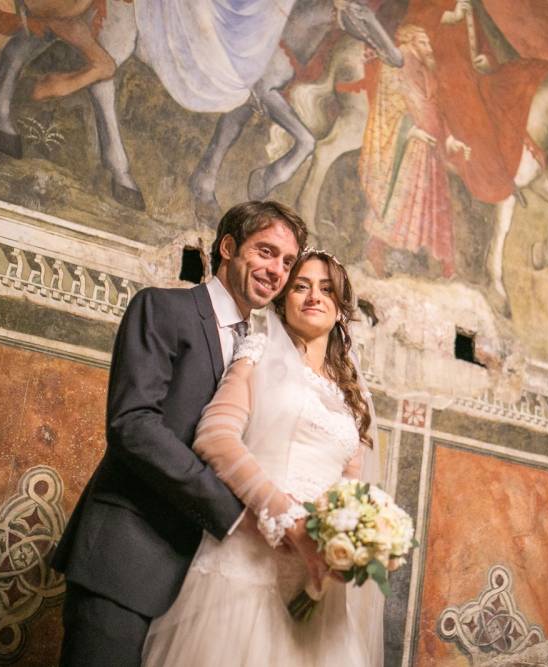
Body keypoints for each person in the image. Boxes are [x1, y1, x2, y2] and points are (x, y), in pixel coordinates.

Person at [52, 201, 307, 666]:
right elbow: (133, 425)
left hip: (205, 585)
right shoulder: (162, 308)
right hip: (127, 557)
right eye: (266, 251)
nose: (277, 271)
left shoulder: (265, 351)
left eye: (287, 262)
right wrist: (233, 513)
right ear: (227, 247)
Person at [142, 250, 385, 666]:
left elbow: (351, 484)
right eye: (301, 286)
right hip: (250, 557)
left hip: (315, 575)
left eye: (327, 289)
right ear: (283, 300)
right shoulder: (259, 352)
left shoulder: (354, 395)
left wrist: (348, 540)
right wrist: (285, 516)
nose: (314, 296)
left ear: (341, 309)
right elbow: (216, 438)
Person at [361, 24, 471, 278]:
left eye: (428, 43)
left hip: (431, 147)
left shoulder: (424, 70)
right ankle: (375, 253)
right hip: (411, 147)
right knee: (400, 203)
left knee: (436, 205)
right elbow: (388, 109)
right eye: (423, 43)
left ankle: (446, 267)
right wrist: (411, 131)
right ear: (409, 42)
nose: (429, 48)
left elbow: (433, 108)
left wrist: (450, 138)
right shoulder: (395, 66)